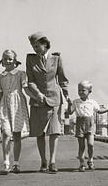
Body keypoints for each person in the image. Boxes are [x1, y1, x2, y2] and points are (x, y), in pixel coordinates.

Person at [26, 32, 70, 173]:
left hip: (55, 98)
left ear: (45, 44)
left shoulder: (56, 58)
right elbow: (30, 80)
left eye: (37, 46)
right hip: (38, 99)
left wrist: (67, 95)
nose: (35, 49)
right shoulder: (30, 59)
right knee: (39, 133)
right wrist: (37, 93)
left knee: (54, 132)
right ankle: (43, 162)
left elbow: (62, 79)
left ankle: (52, 162)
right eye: (33, 46)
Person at [0, 49, 32, 174]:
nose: (8, 61)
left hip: (18, 106)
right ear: (2, 61)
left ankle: (16, 163)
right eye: (5, 59)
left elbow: (26, 90)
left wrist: (37, 97)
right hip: (4, 106)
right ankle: (6, 164)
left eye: (10, 59)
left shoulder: (21, 74)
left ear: (15, 61)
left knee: (16, 135)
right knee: (5, 133)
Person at [67, 80, 108, 172]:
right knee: (81, 146)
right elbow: (70, 112)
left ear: (89, 91)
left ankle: (90, 160)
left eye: (83, 90)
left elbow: (99, 111)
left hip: (90, 124)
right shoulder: (76, 102)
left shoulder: (92, 102)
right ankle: (81, 163)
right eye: (79, 90)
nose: (81, 92)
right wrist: (69, 104)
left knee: (91, 144)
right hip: (80, 124)